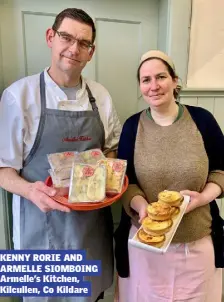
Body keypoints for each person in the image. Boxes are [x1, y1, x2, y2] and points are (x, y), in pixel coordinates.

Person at [0, 8, 121, 302]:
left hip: (91, 228)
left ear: (91, 53)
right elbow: (3, 170)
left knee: (91, 296)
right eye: (66, 37)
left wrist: (107, 171)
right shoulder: (19, 96)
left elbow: (111, 149)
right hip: (40, 227)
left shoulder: (101, 96)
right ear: (50, 37)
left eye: (84, 43)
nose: (73, 49)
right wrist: (31, 191)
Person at [114, 50, 224, 302]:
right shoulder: (133, 126)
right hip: (145, 246)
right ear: (140, 85)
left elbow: (221, 170)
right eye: (146, 79)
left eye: (161, 77)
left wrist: (202, 198)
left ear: (175, 81)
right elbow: (125, 179)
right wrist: (142, 207)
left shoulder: (202, 121)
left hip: (197, 244)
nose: (153, 86)